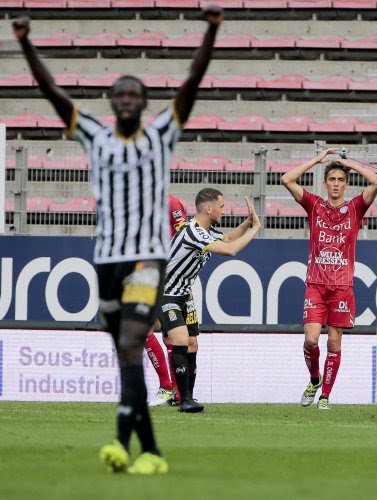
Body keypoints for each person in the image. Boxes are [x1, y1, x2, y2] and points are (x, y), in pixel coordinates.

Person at [12, 5, 223, 474]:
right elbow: (50, 91)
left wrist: (210, 31)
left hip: (147, 259)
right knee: (125, 353)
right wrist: (25, 42)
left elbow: (192, 81)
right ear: (111, 100)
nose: (127, 99)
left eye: (135, 94)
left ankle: (119, 441)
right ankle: (148, 451)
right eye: (120, 93)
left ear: (145, 103)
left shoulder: (162, 135)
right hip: (105, 260)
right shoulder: (92, 134)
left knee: (131, 342)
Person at [281, 148, 377, 410]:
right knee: (311, 340)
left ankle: (325, 396)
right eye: (332, 179)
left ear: (346, 184)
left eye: (340, 180)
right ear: (325, 183)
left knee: (334, 342)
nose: (336, 184)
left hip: (342, 287)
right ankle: (314, 379)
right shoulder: (314, 204)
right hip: (315, 284)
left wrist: (349, 163)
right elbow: (286, 179)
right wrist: (316, 160)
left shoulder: (356, 208)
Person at [160, 189, 260, 414]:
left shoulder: (206, 230)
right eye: (221, 206)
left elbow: (226, 238)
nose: (223, 210)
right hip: (167, 292)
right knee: (181, 340)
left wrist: (246, 223)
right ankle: (183, 398)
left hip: (185, 293)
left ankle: (190, 398)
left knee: (193, 343)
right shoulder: (193, 232)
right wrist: (255, 230)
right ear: (209, 208)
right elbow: (230, 249)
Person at [147, 194, 189, 407]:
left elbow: (184, 235)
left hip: (166, 274)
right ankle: (172, 390)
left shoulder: (172, 202)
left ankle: (170, 388)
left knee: (169, 336)